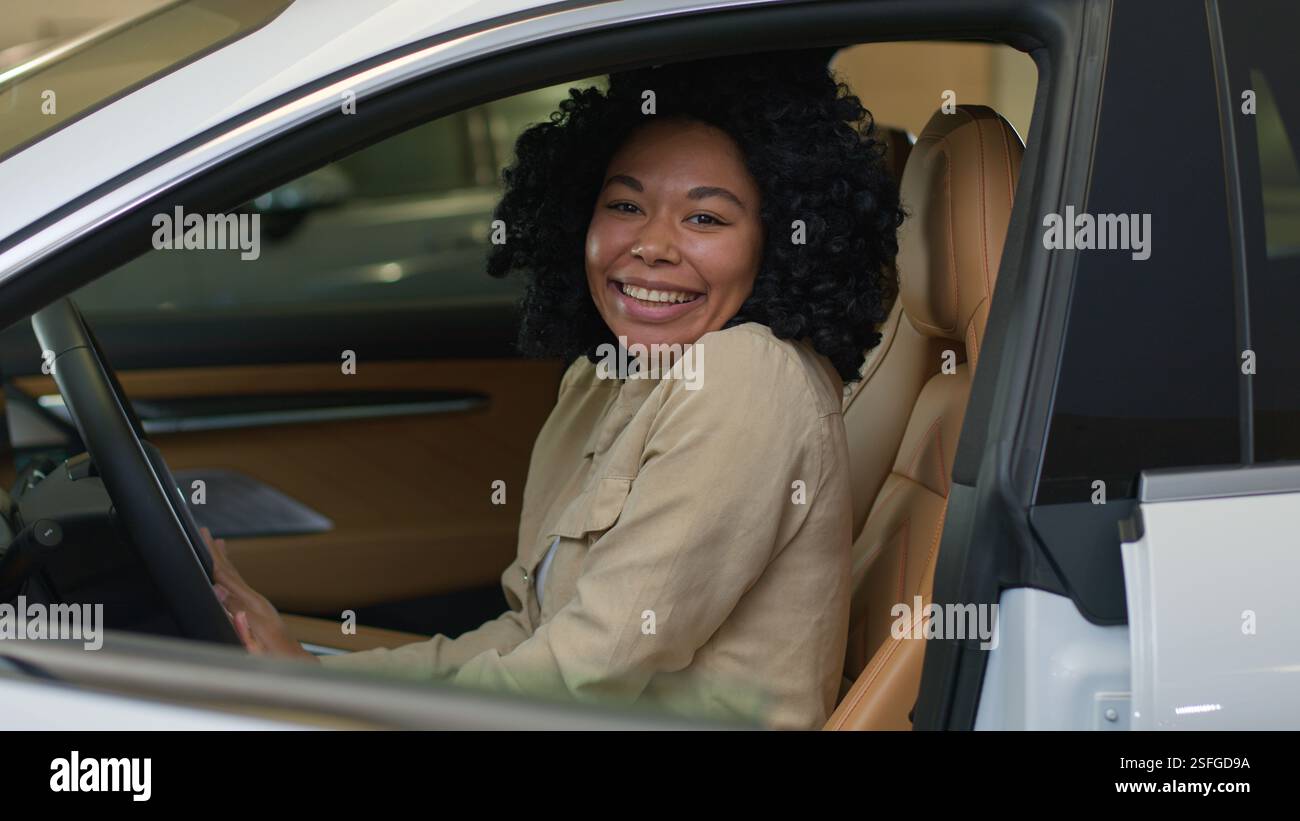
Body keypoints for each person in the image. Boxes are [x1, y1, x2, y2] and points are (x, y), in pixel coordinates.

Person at [205, 50, 904, 730]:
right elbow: (526, 631)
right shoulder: (599, 377)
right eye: (626, 204)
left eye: (705, 218)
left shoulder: (747, 379)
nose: (653, 244)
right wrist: (316, 682)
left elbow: (585, 671)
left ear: (777, 240)